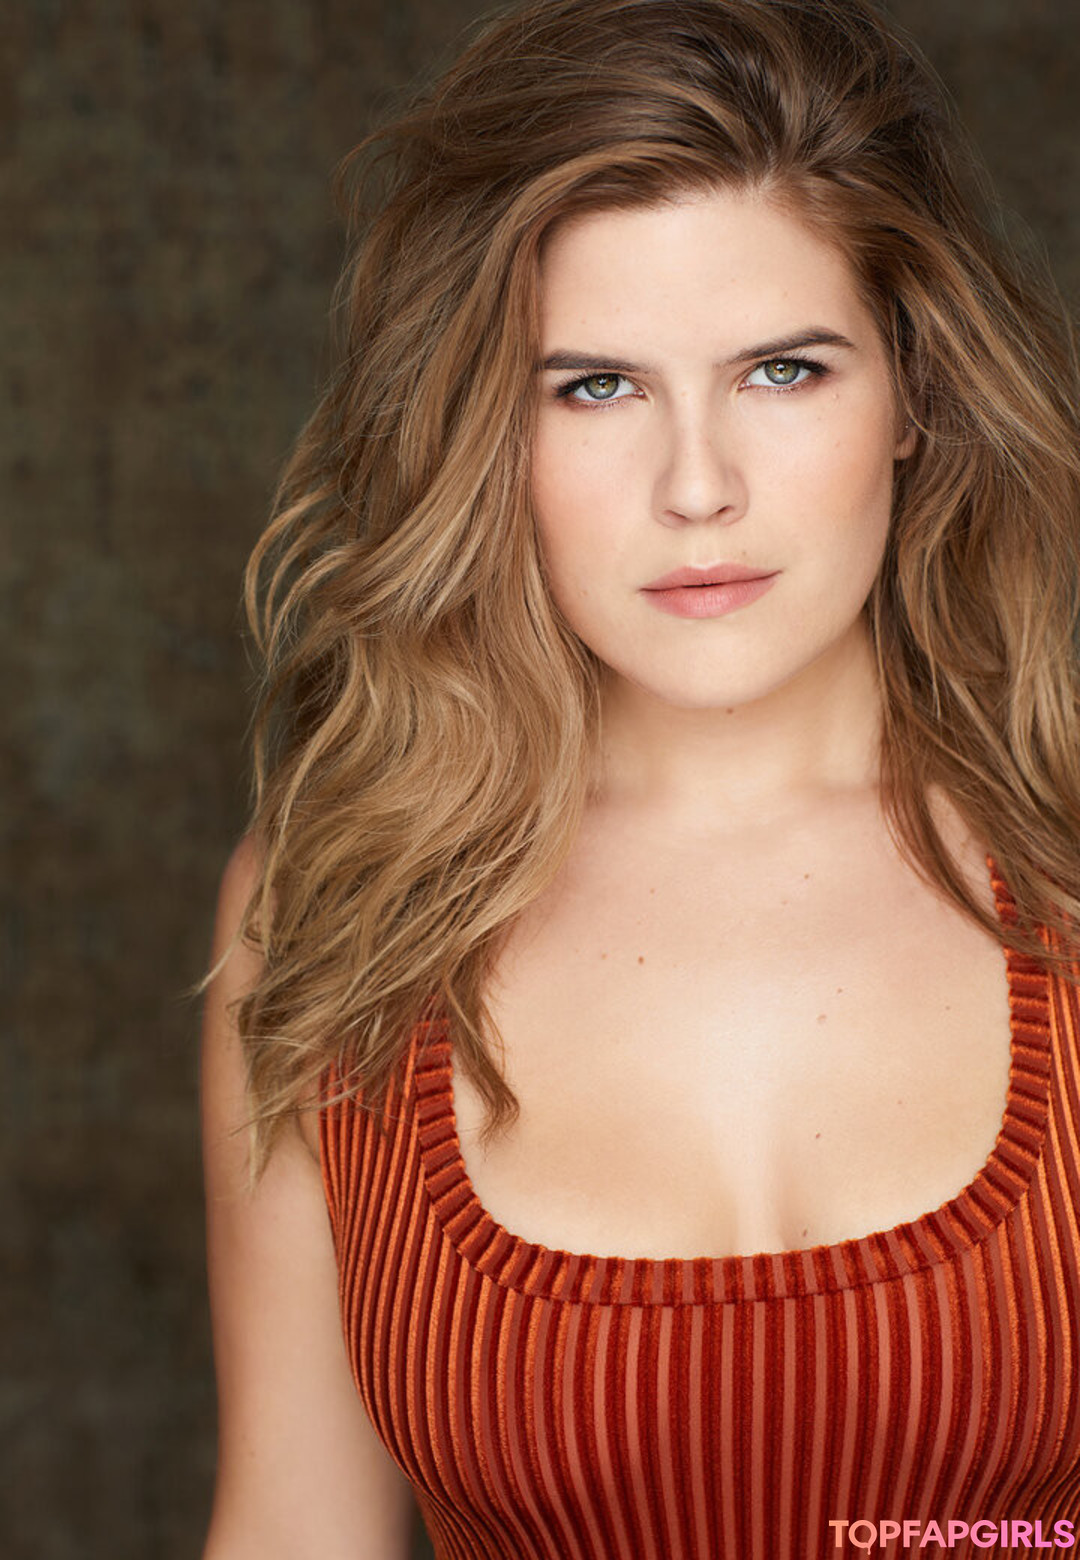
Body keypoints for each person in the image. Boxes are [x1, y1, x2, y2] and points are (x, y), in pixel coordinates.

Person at [196, 0, 1080, 1555]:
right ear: (489, 432)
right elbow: (291, 1530)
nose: (697, 487)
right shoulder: (337, 903)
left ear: (914, 394)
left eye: (782, 371)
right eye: (594, 387)